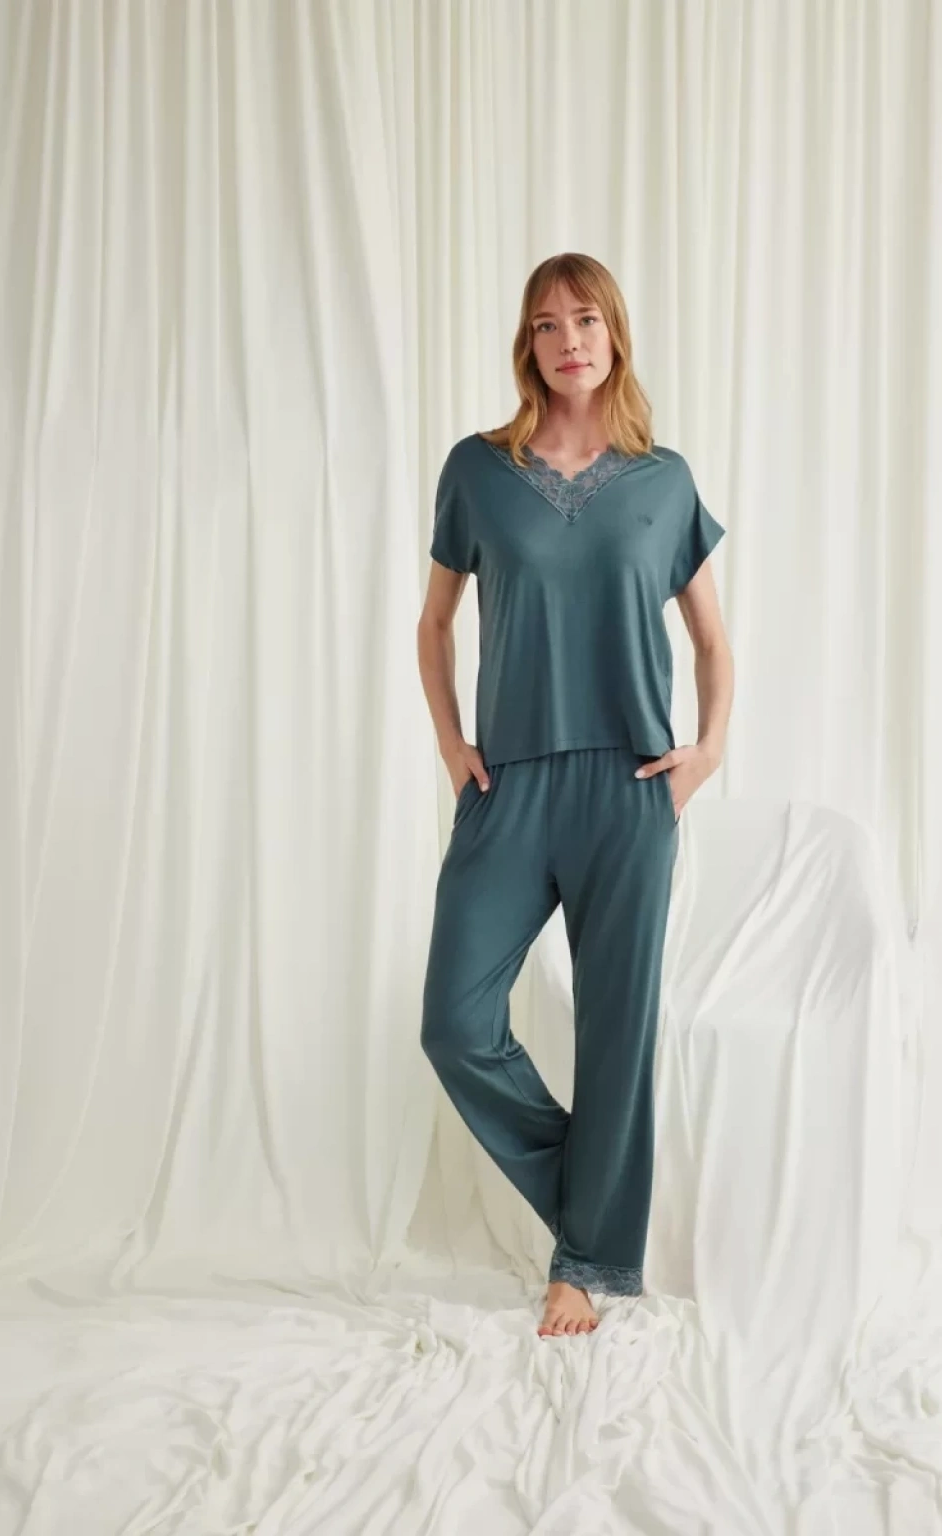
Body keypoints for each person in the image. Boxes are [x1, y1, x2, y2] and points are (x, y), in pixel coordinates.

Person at [416, 252, 734, 1338]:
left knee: (615, 1031)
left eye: (586, 319)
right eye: (547, 324)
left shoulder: (663, 480)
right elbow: (434, 623)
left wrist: (707, 752)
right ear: (528, 344)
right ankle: (596, 1213)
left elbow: (711, 640)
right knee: (456, 1024)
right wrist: (452, 741)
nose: (568, 340)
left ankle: (586, 1263)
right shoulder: (478, 470)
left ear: (614, 335)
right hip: (508, 784)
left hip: (628, 789)